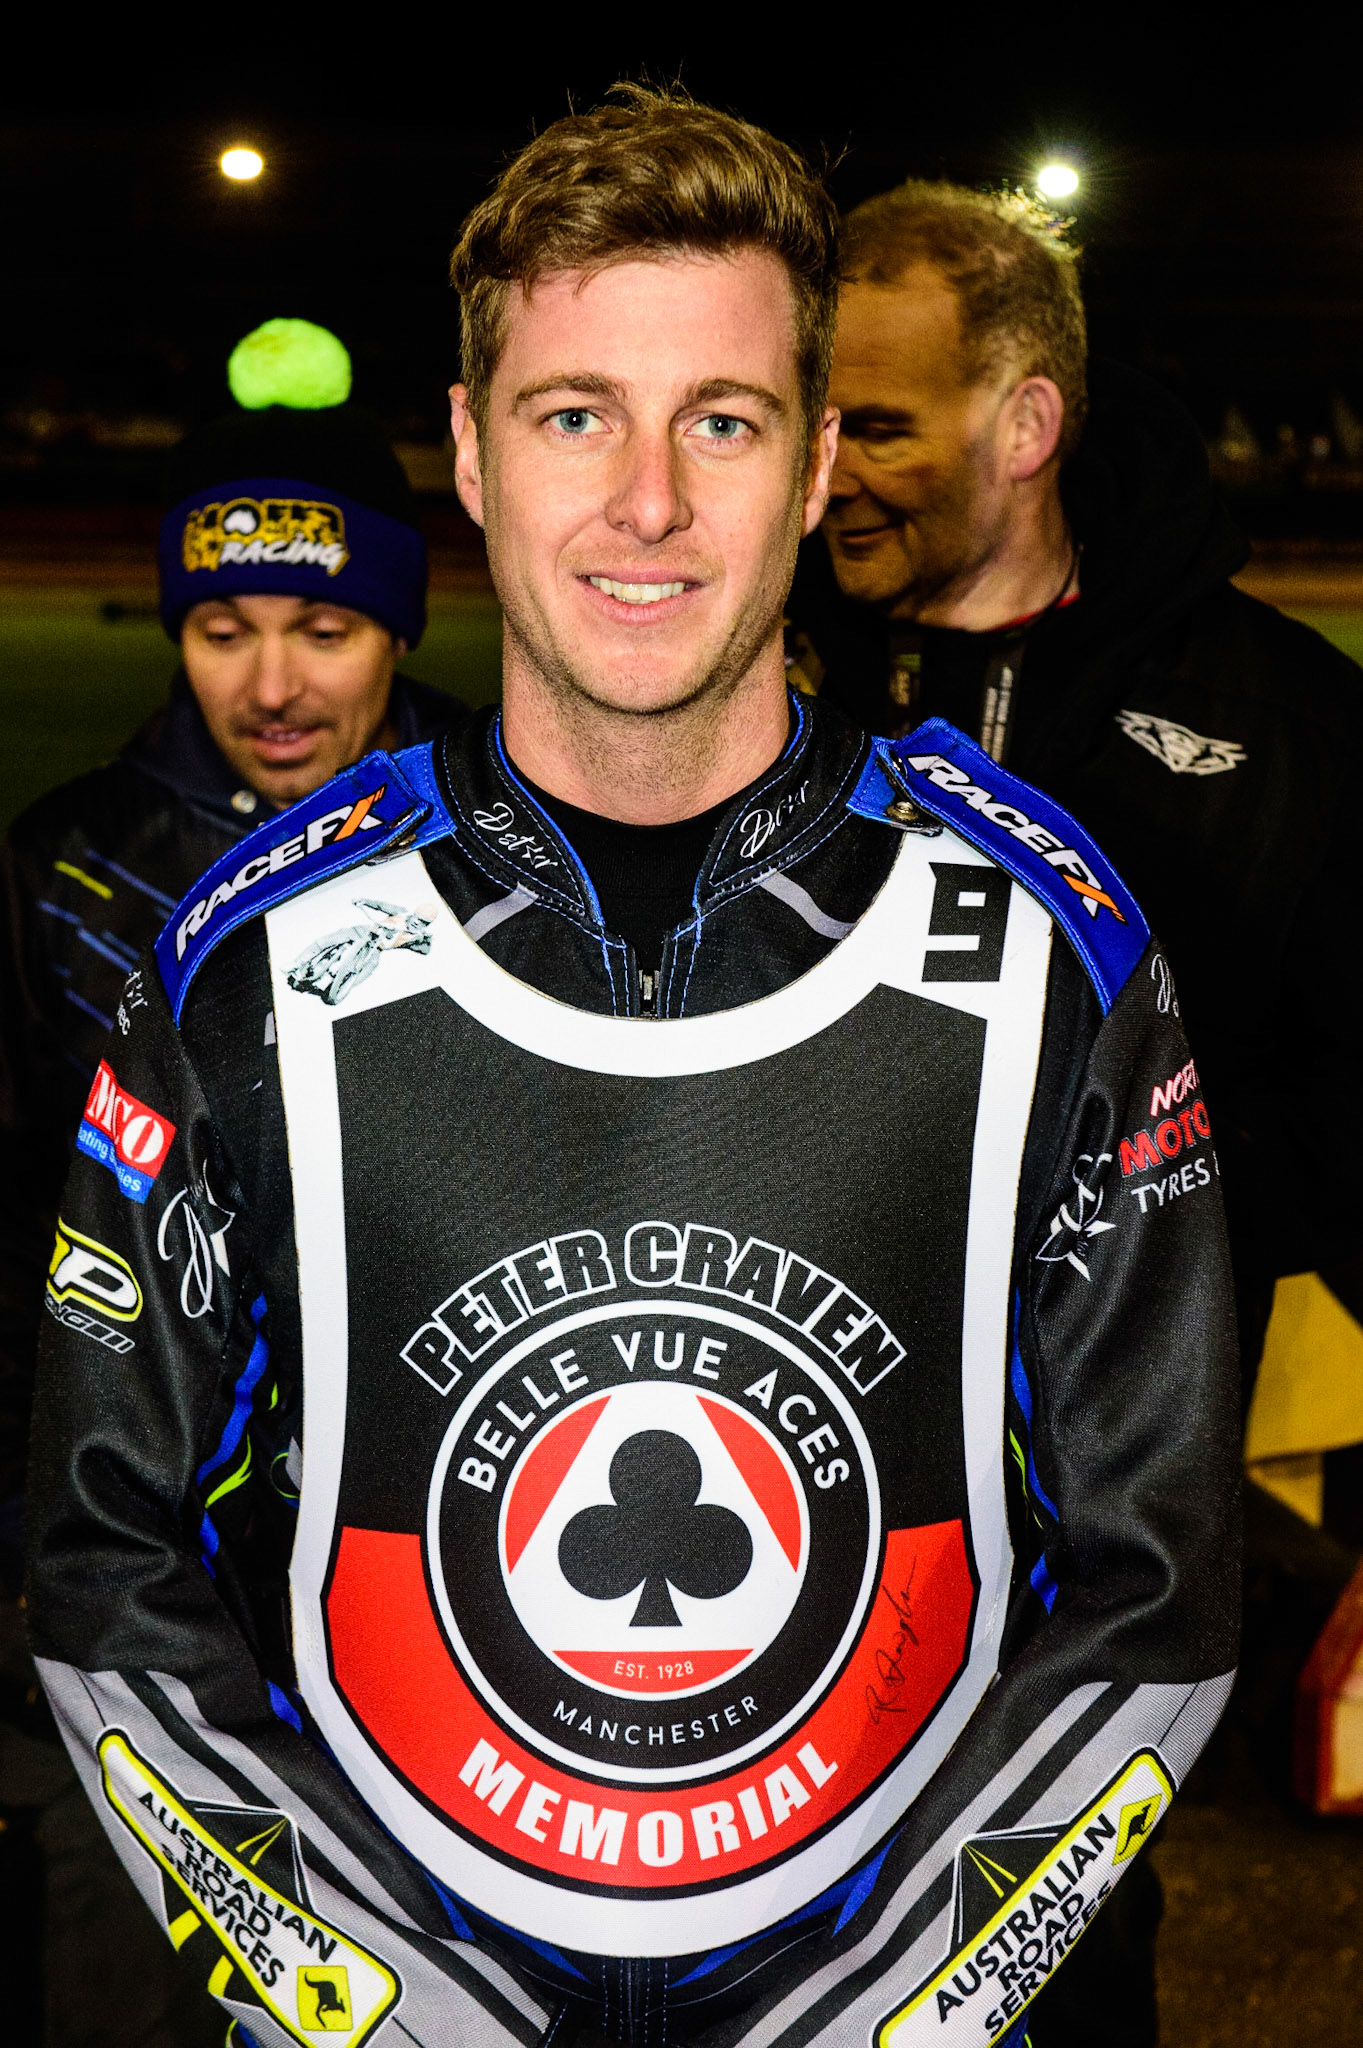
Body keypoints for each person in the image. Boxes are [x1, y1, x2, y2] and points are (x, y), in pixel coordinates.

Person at [25, 91, 1239, 2048]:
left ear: (818, 456)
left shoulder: (1052, 945)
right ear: (475, 463)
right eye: (575, 413)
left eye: (726, 422)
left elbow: (1157, 1595)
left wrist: (892, 2015)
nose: (649, 503)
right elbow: (101, 1561)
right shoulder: (248, 961)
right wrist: (376, 2007)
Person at [0, 318, 463, 2045]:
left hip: (433, 1552)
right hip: (157, 1568)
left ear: (399, 622)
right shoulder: (66, 865)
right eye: (223, 627)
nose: (273, 684)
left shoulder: (507, 824)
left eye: (325, 626)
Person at [788, 181, 1363, 1396]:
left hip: (1140, 1479)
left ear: (1024, 427)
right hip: (818, 1444)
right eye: (814, 424)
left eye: (879, 429)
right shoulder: (743, 673)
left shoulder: (1284, 715)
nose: (824, 475)